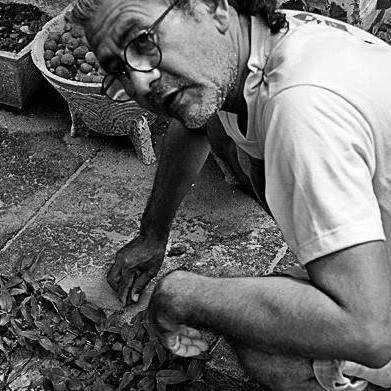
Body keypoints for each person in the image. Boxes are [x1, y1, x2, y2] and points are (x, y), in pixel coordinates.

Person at [70, 0, 391, 389]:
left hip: (377, 318)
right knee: (224, 131)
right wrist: (153, 233)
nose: (140, 84)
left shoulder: (300, 107)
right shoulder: (256, 43)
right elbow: (193, 125)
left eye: (142, 41)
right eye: (119, 70)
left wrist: (181, 295)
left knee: (266, 343)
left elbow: (371, 332)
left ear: (213, 7)